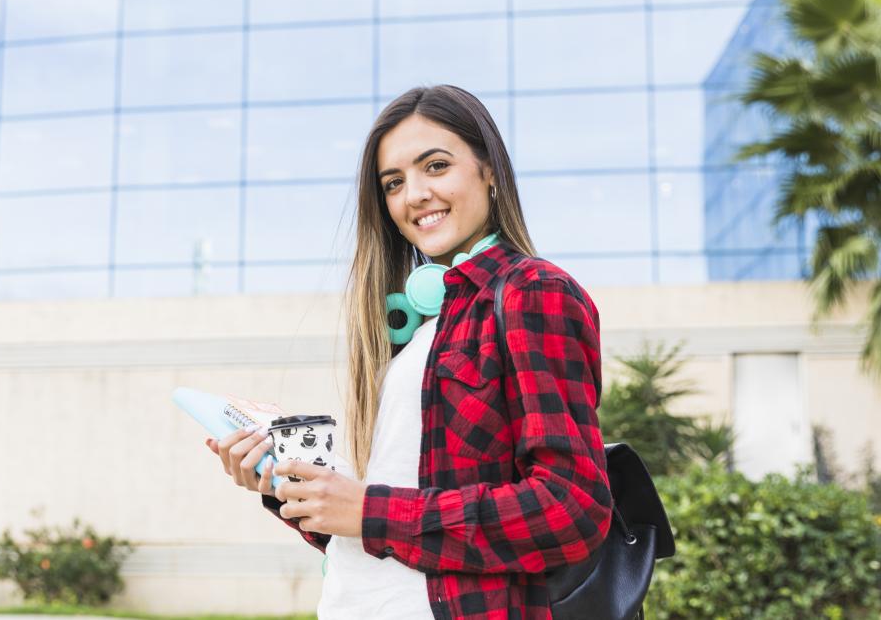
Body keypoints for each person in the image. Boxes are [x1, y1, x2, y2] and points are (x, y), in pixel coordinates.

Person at [206, 84, 612, 619]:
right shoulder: (417, 331)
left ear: (488, 169)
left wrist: (368, 511)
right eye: (393, 183)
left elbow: (571, 509)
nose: (413, 194)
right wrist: (292, 489)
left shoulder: (531, 292)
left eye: (436, 166)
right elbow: (379, 538)